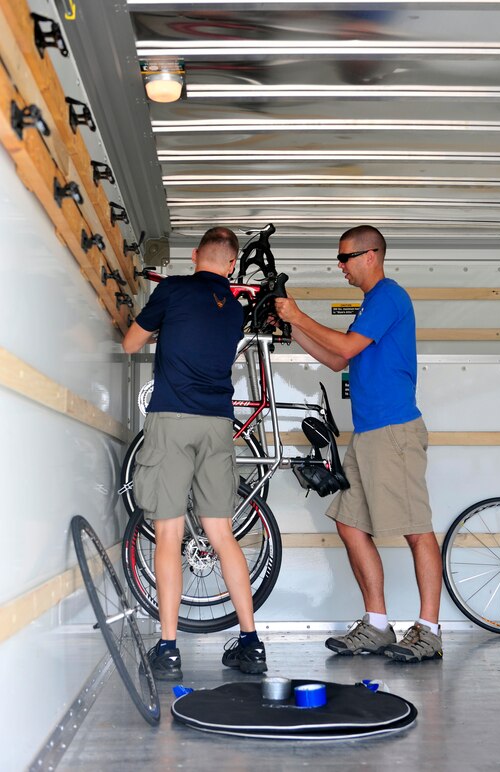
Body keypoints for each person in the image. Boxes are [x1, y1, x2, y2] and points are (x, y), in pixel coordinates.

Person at [275, 225, 443, 663]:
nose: (341, 266)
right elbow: (337, 358)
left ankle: (428, 630)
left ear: (371, 255)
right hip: (368, 435)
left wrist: (298, 315)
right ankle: (377, 624)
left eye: (346, 257)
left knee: (416, 529)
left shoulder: (388, 295)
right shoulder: (372, 305)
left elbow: (346, 346)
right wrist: (290, 329)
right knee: (350, 524)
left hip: (394, 431)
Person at [122, 227, 267, 680]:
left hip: (173, 420)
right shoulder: (235, 310)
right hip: (219, 426)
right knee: (222, 535)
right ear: (230, 266)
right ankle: (251, 644)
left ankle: (168, 651)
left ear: (193, 256)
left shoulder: (174, 289)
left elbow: (129, 343)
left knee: (168, 535)